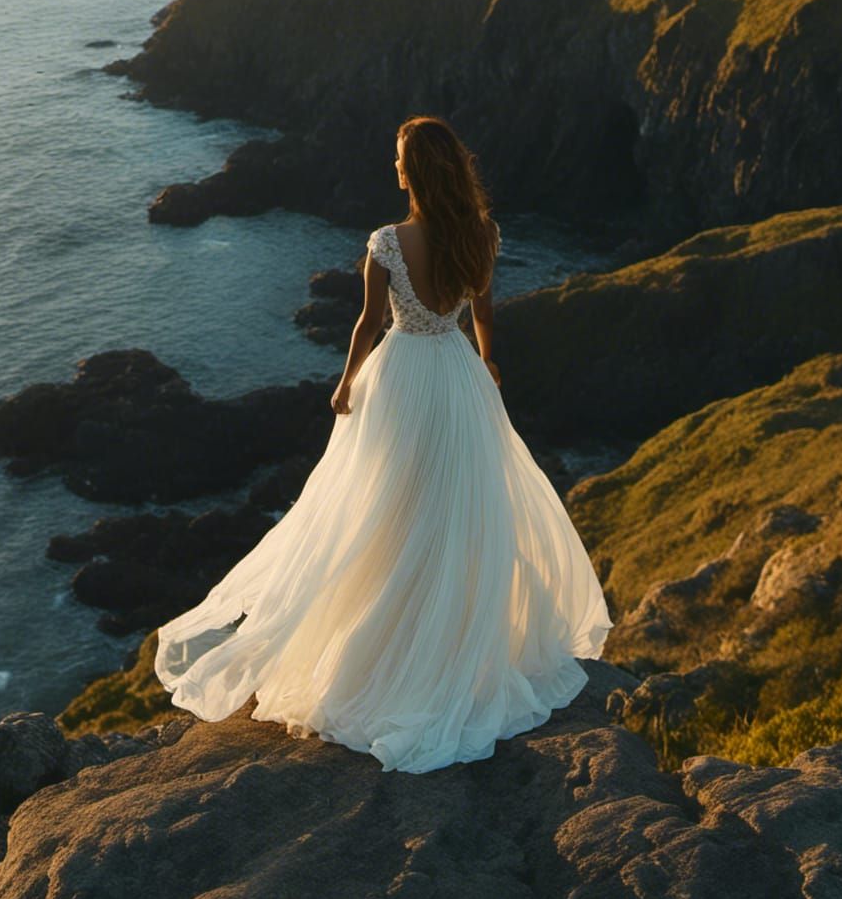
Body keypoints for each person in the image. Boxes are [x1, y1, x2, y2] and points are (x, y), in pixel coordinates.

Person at [154, 115, 614, 774]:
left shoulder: (387, 242)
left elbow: (370, 323)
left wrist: (344, 385)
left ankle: (388, 650)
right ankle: (444, 640)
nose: (394, 168)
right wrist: (485, 365)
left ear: (417, 171)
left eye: (400, 159)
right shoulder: (482, 235)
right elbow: (484, 316)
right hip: (454, 376)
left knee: (388, 510)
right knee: (456, 508)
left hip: (399, 380)